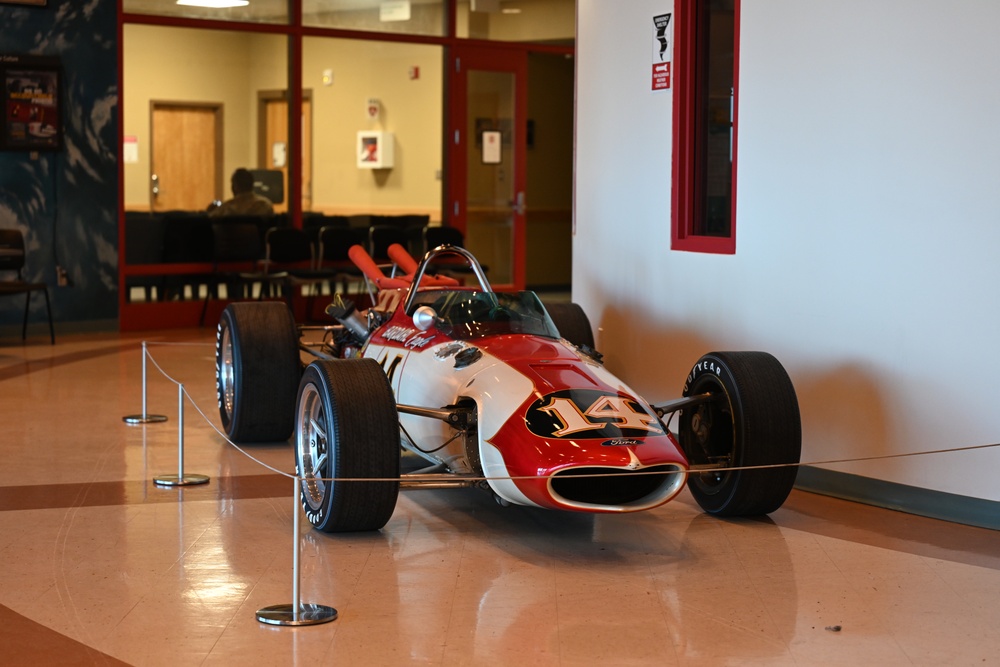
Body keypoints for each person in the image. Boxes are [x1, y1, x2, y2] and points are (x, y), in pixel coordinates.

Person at [208, 168, 274, 217]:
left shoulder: (226, 208)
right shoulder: (265, 205)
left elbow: (209, 218)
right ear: (251, 184)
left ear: (235, 186)